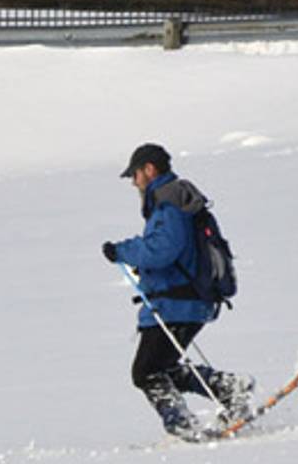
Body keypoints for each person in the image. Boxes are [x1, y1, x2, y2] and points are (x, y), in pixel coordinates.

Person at [101, 143, 253, 441]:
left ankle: (182, 422)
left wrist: (123, 251)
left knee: (146, 372)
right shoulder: (175, 199)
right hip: (186, 300)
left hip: (177, 303)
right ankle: (228, 389)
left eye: (134, 175)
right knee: (163, 367)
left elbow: (162, 250)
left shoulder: (168, 202)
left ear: (149, 169)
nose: (133, 183)